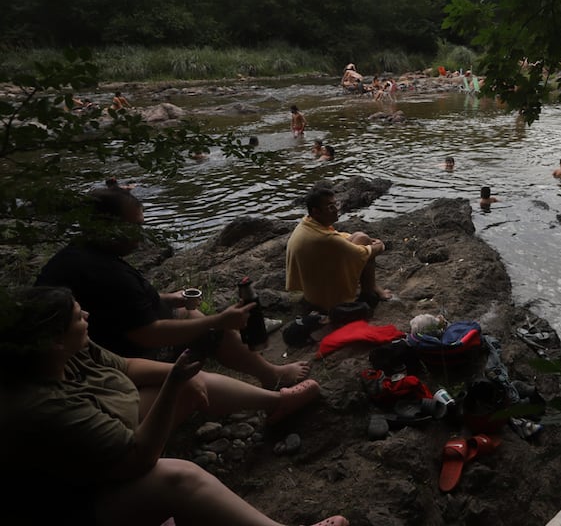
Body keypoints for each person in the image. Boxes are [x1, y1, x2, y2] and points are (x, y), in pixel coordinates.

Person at [0, 286, 345, 526]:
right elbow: (139, 457)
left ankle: (276, 403)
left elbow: (127, 366)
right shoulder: (41, 404)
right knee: (180, 477)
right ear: (54, 340)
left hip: (102, 437)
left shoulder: (70, 351)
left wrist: (179, 376)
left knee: (194, 383)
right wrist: (173, 384)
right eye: (78, 315)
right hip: (71, 504)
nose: (86, 314)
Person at [35, 188, 311, 390]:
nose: (140, 236)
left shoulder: (79, 255)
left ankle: (267, 373)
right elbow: (146, 335)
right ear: (105, 226)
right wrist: (219, 319)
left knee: (195, 318)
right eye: (134, 227)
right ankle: (270, 380)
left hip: (93, 348)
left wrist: (168, 299)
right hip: (99, 364)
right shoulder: (103, 272)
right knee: (213, 329)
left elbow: (119, 309)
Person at [285, 185, 392, 313]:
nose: (336, 209)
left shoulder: (307, 223)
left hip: (312, 289)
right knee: (363, 242)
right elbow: (362, 254)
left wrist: (365, 242)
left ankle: (372, 287)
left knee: (360, 237)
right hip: (326, 299)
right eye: (330, 207)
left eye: (336, 204)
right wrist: (380, 246)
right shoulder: (324, 238)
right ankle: (369, 292)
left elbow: (339, 237)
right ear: (316, 211)